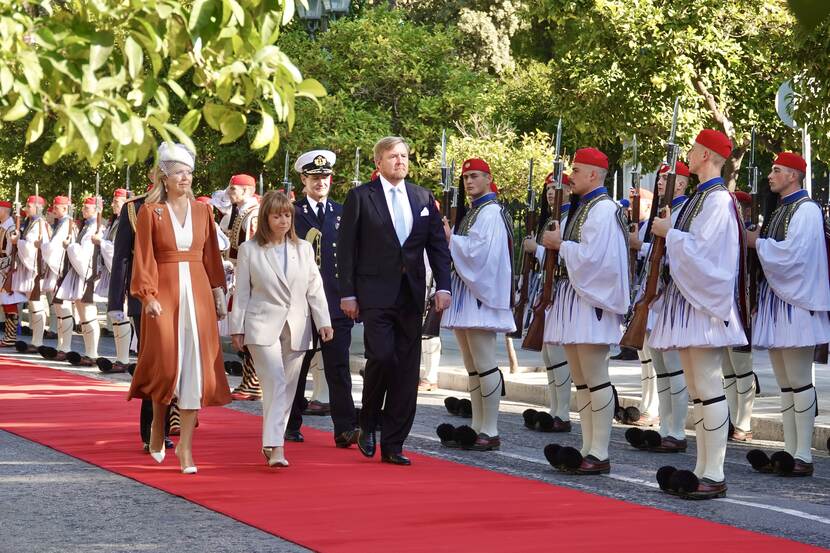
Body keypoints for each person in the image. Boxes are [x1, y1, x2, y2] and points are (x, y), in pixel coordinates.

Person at [339, 136, 452, 466]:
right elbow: (346, 251)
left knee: (406, 371)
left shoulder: (422, 197)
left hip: (411, 294)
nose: (400, 161)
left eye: (403, 156)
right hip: (374, 294)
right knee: (383, 357)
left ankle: (394, 442)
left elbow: (437, 248)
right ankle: (369, 419)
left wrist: (443, 286)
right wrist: (348, 293)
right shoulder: (361, 197)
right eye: (392, 156)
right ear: (379, 163)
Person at [649, 129, 747, 499]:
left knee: (708, 387)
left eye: (693, 150)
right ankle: (702, 468)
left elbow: (708, 252)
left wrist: (669, 233)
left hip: (703, 305)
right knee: (698, 390)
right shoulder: (697, 199)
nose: (688, 155)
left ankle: (715, 472)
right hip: (689, 302)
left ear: (706, 155)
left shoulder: (717, 201)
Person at [128, 142, 230, 474]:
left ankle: (185, 448)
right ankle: (157, 425)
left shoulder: (204, 212)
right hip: (165, 295)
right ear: (165, 178)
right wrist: (148, 295)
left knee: (194, 372)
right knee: (165, 365)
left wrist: (217, 292)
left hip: (198, 295)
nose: (185, 178)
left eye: (188, 173)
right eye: (178, 173)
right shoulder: (150, 212)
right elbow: (143, 257)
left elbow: (212, 256)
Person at [542, 148, 629, 474]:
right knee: (581, 380)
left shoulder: (603, 210)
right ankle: (587, 447)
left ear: (594, 174)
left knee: (595, 377)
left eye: (577, 170)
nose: (571, 175)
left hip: (591, 301)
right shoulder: (586, 207)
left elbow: (598, 260)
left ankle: (600, 451)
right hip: (575, 299)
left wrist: (559, 245)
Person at [230, 191, 333, 467]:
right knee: (275, 382)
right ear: (266, 218)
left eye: (287, 215)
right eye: (277, 215)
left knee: (286, 389)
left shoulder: (303, 249)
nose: (283, 220)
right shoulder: (250, 250)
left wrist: (323, 321)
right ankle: (275, 445)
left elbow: (315, 287)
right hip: (261, 325)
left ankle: (273, 441)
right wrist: (236, 328)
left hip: (298, 326)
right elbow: (241, 293)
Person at [747, 151, 829, 476]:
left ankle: (803, 455)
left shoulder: (805, 210)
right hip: (780, 304)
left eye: (776, 170)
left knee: (798, 381)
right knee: (785, 383)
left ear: (793, 175)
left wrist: (758, 243)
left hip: (797, 305)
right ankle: (789, 451)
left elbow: (795, 256)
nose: (770, 175)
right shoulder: (783, 209)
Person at [440, 158, 515, 451]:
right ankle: (477, 426)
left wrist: (450, 239)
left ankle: (491, 428)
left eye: (474, 176)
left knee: (484, 363)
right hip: (466, 294)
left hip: (480, 295)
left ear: (488, 178)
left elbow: (482, 254)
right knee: (472, 365)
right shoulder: (475, 211)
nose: (469, 182)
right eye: (466, 177)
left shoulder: (490, 212)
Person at [286, 149, 359, 447]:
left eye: (325, 177)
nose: (321, 182)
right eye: (315, 177)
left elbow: (355, 258)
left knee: (338, 368)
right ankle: (289, 423)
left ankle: (345, 428)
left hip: (335, 304)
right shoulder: (291, 212)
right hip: (300, 304)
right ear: (303, 179)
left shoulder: (344, 213)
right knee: (297, 368)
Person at [627, 162, 691, 452]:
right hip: (656, 296)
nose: (660, 182)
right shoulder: (664, 212)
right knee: (662, 368)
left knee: (674, 367)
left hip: (672, 296)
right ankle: (665, 427)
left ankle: (676, 431)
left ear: (681, 183)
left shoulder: (685, 210)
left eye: (666, 179)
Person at [523, 171, 574, 431]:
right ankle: (555, 408)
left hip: (559, 288)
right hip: (547, 288)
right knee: (548, 354)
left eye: (557, 187)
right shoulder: (553, 219)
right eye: (548, 189)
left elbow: (564, 255)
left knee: (558, 353)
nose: (551, 192)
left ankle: (562, 412)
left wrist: (538, 250)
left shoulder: (570, 217)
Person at [219, 174, 261, 402]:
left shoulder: (252, 214)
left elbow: (251, 248)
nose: (230, 192)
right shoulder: (242, 212)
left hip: (248, 278)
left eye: (234, 189)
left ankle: (253, 383)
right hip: (238, 274)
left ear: (247, 190)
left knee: (249, 328)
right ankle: (248, 381)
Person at [722, 189, 757, 442]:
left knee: (742, 368)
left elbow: (756, 272)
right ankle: (732, 420)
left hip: (742, 306)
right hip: (724, 306)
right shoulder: (726, 233)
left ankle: (743, 423)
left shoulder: (750, 232)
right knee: (727, 369)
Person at [55, 196, 102, 366]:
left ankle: (92, 353)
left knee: (89, 315)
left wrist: (70, 246)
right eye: (83, 208)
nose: (84, 211)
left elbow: (86, 255)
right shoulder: (86, 226)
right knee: (83, 315)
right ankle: (89, 353)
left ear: (96, 210)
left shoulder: (94, 228)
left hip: (87, 274)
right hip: (80, 274)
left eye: (87, 208)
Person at [95, 189, 131, 373]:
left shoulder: (128, 220)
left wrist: (101, 243)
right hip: (112, 271)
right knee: (115, 315)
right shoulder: (114, 222)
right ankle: (120, 357)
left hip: (122, 270)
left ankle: (123, 359)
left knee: (121, 313)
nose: (113, 205)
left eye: (117, 201)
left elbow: (119, 248)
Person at [11, 196, 51, 353]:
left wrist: (18, 242)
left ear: (37, 207)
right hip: (29, 267)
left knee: (37, 304)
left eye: (29, 206)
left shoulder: (39, 224)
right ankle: (36, 339)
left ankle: (38, 341)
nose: (26, 209)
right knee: (33, 304)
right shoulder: (31, 222)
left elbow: (31, 247)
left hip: (35, 267)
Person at [0, 200, 27, 347]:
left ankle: (11, 336)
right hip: (2, 268)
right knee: (6, 303)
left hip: (6, 270)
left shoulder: (11, 228)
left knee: (9, 303)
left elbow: (12, 252)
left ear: (4, 210)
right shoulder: (4, 226)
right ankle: (9, 335)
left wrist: (6, 267)